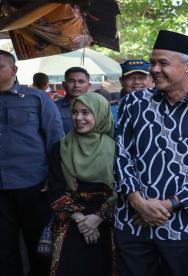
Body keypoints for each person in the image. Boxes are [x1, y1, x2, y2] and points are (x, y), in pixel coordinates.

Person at [114, 30, 188, 276]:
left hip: (181, 226)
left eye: (162, 62)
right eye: (152, 62)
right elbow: (121, 154)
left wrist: (168, 205)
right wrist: (136, 201)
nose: (154, 69)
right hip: (131, 222)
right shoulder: (134, 103)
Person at [0, 50, 64, 276]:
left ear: (13, 70)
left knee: (37, 242)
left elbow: (55, 138)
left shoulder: (36, 98)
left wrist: (53, 176)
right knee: (4, 245)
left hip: (33, 182)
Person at [48, 92, 116, 276]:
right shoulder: (61, 147)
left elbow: (123, 189)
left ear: (100, 113)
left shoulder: (117, 148)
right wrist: (80, 219)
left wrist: (99, 217)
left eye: (86, 112)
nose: (78, 118)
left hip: (108, 219)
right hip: (71, 217)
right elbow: (55, 188)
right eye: (75, 112)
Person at [55, 67, 91, 133]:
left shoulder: (97, 107)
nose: (76, 85)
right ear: (64, 85)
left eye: (81, 81)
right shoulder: (53, 108)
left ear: (89, 86)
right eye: (71, 81)